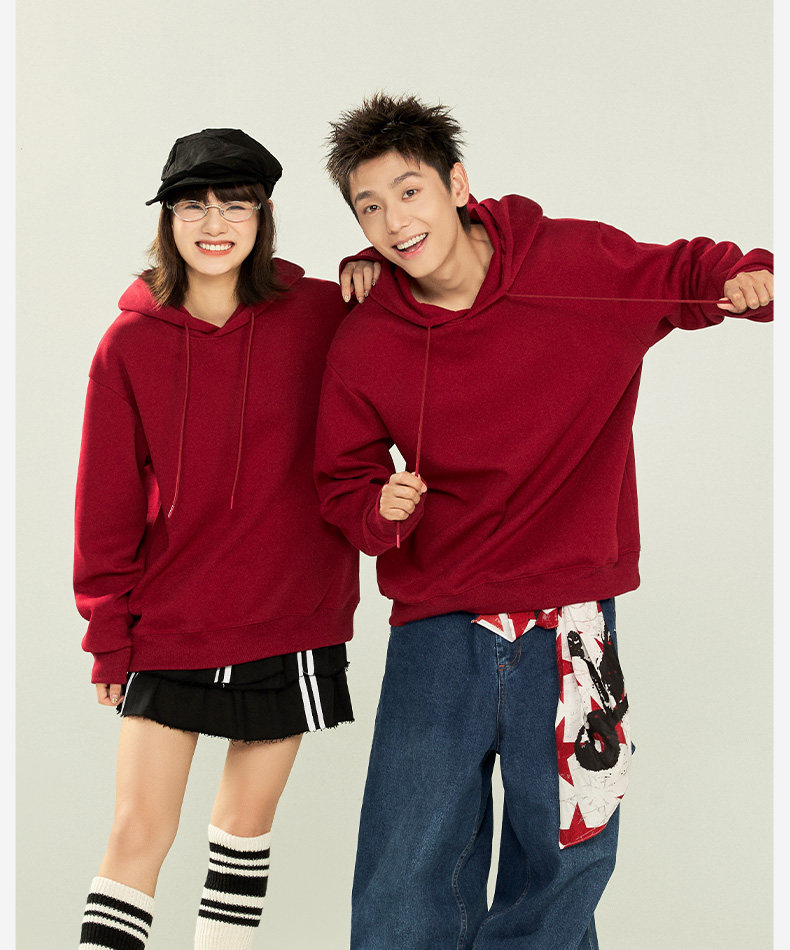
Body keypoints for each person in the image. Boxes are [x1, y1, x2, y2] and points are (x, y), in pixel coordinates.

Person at [315, 94, 774, 950]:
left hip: (572, 625)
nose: (395, 221)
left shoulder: (573, 263)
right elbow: (341, 482)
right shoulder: (366, 339)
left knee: (563, 867)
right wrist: (378, 508)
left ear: (457, 184)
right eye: (369, 208)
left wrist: (741, 276)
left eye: (410, 192)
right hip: (438, 625)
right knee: (404, 875)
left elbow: (683, 272)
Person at [73, 127, 373, 949]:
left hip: (293, 614)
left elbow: (428, 294)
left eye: (235, 205)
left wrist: (371, 266)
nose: (214, 224)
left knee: (242, 836)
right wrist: (108, 636)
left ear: (262, 215)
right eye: (193, 206)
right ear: (167, 219)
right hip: (173, 619)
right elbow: (104, 506)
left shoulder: (322, 314)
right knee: (137, 835)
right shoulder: (129, 345)